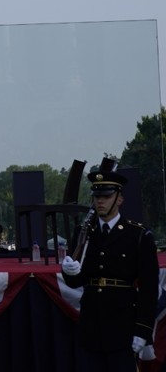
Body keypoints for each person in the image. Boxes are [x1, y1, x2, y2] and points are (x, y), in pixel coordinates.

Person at [60, 159, 158, 371]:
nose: (100, 202)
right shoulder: (84, 233)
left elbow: (149, 289)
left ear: (119, 199)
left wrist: (143, 331)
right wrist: (69, 271)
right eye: (97, 197)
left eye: (106, 196)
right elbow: (76, 281)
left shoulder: (138, 235)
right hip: (91, 327)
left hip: (122, 327)